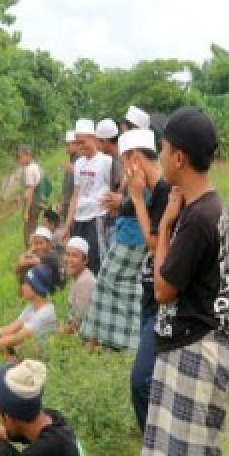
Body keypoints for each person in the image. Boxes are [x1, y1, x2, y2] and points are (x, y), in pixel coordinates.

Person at [118, 107, 229, 456]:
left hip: (199, 351)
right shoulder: (201, 205)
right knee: (163, 449)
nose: (158, 157)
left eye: (163, 150)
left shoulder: (195, 217)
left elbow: (165, 288)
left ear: (179, 157)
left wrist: (163, 222)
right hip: (183, 345)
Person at [121, 127, 170, 456]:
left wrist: (137, 199)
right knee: (150, 379)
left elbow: (154, 245)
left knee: (141, 381)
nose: (124, 174)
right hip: (150, 295)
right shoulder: (156, 191)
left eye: (125, 164)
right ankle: (155, 454)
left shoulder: (162, 192)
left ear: (135, 160)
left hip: (164, 301)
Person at [79, 126, 156, 351]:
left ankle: (114, 339)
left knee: (108, 282)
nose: (122, 164)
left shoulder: (148, 178)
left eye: (125, 160)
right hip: (129, 233)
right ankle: (122, 340)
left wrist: (121, 202)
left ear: (136, 156)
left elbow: (140, 202)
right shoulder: (137, 176)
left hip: (134, 236)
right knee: (126, 286)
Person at [0, 265, 57, 359]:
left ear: (36, 287)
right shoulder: (32, 307)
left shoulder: (45, 313)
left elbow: (18, 338)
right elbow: (10, 329)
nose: (21, 287)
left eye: (26, 283)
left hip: (36, 358)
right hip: (24, 350)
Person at [62, 119, 112, 275]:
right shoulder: (78, 164)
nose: (80, 146)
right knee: (77, 259)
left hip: (96, 218)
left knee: (96, 259)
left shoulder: (106, 161)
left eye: (82, 141)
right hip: (79, 219)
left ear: (93, 138)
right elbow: (76, 194)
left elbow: (113, 191)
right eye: (77, 143)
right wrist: (68, 224)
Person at [14, 226, 63, 293]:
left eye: (41, 243)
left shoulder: (52, 256)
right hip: (42, 286)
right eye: (36, 243)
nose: (39, 246)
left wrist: (28, 255)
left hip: (54, 288)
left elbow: (28, 261)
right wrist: (31, 249)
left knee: (31, 266)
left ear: (49, 244)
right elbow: (16, 269)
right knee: (23, 269)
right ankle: (24, 292)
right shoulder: (36, 254)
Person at [62, 237, 95, 335]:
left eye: (75, 256)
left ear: (85, 260)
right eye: (67, 254)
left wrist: (55, 336)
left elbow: (78, 322)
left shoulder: (85, 281)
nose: (69, 260)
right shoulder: (78, 277)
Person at [19, 145, 44, 246]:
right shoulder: (36, 166)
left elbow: (31, 191)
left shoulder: (29, 169)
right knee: (34, 227)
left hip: (32, 204)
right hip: (38, 203)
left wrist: (26, 211)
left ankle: (31, 252)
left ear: (27, 156)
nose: (20, 160)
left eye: (20, 157)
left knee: (28, 231)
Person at [60, 130, 79, 223]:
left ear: (76, 144)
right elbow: (66, 183)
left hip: (74, 203)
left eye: (68, 144)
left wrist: (74, 171)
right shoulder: (71, 159)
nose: (66, 147)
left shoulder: (80, 160)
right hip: (67, 202)